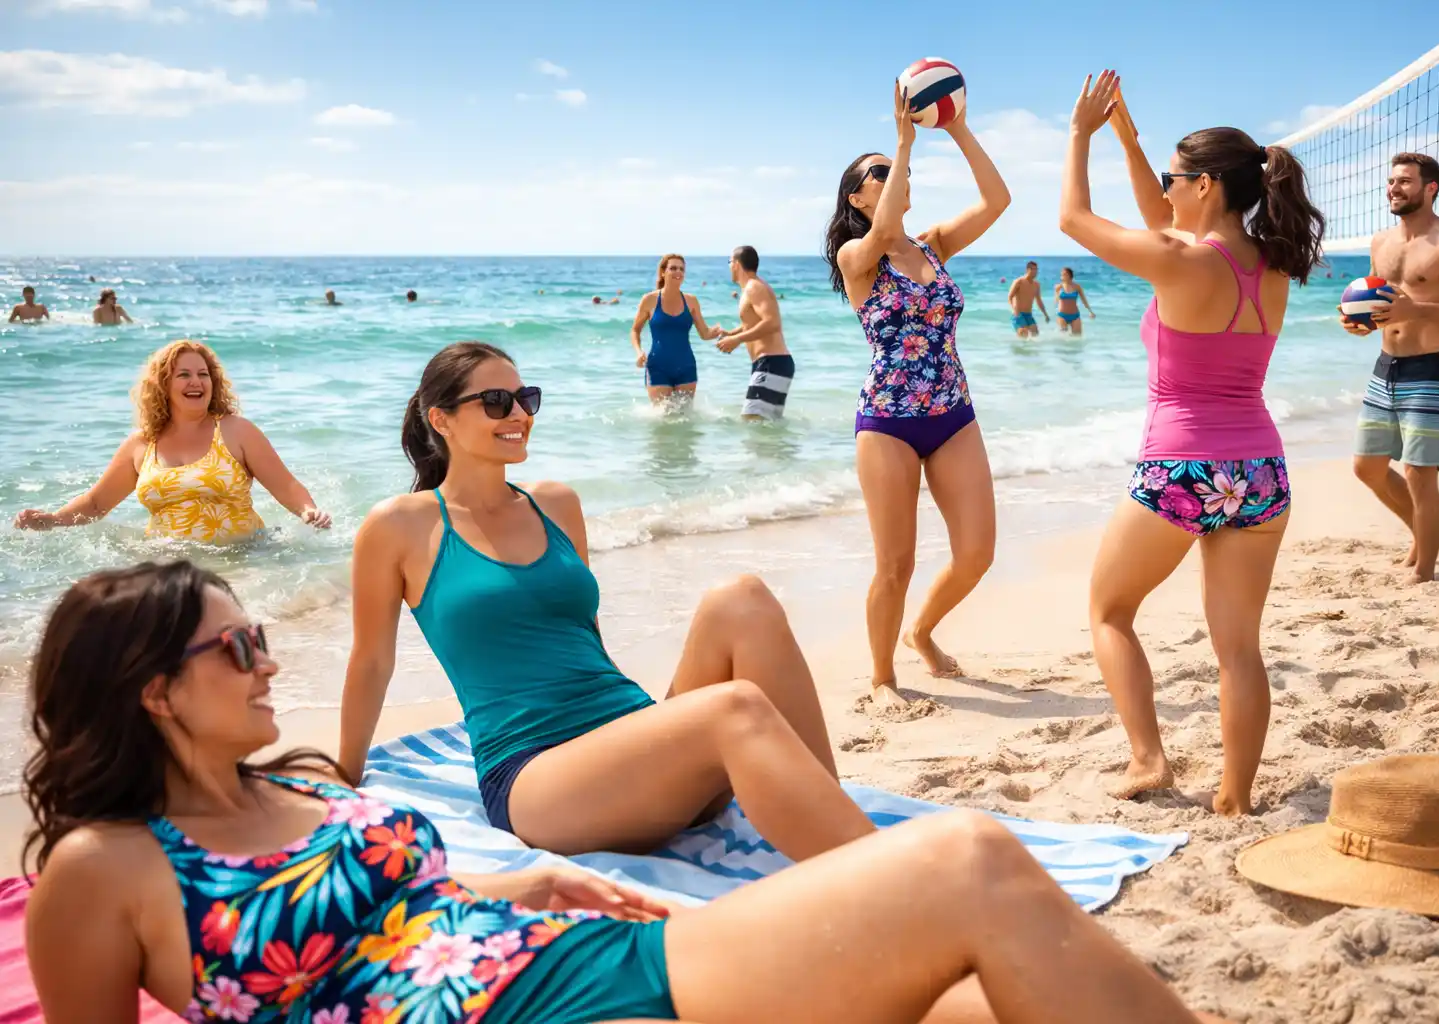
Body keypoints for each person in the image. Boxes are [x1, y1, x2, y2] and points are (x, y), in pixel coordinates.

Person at [24, 560, 1224, 1024]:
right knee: (969, 865)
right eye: (236, 650)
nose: (270, 659)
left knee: (972, 986)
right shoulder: (112, 866)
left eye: (261, 635)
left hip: (538, 954)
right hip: (491, 1014)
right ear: (149, 692)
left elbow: (384, 903)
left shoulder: (290, 781)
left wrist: (515, 875)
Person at [344, 341, 866, 859]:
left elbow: (582, 636)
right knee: (736, 707)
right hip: (536, 776)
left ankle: (834, 816)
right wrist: (341, 776)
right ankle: (875, 871)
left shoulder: (555, 503)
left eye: (526, 399)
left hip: (634, 752)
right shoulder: (399, 526)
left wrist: (651, 729)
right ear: (442, 419)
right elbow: (371, 662)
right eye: (496, 402)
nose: (519, 414)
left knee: (742, 598)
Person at [1059, 72, 1324, 815]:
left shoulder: (1181, 263)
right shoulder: (1271, 263)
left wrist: (1080, 133)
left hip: (1183, 467)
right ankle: (1235, 798)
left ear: (1206, 186)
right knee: (1239, 648)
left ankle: (1150, 759)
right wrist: (1130, 140)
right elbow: (1161, 214)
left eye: (1179, 180)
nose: (1167, 191)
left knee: (1109, 612)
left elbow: (1074, 219)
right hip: (1261, 472)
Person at [824, 82, 1010, 707]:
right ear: (858, 196)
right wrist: (903, 142)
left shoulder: (932, 244)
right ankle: (882, 677)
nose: (894, 171)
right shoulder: (860, 256)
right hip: (888, 423)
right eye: (878, 173)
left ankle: (922, 631)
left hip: (953, 414)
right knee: (894, 564)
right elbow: (877, 235)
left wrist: (955, 128)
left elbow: (998, 198)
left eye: (894, 166)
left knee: (978, 552)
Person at [1339, 152, 1439, 583]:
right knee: (1366, 467)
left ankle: (1425, 570)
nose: (1394, 188)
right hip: (1385, 367)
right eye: (1392, 181)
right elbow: (1375, 298)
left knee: (1419, 474)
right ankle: (1427, 534)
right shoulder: (1380, 242)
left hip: (1434, 369)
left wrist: (1417, 310)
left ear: (1431, 188)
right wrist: (1359, 322)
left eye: (1405, 181)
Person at [12, 339, 331, 542]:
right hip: (168, 566)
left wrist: (308, 511)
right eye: (184, 375)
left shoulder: (236, 431)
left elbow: (286, 485)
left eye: (203, 374)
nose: (196, 382)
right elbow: (96, 504)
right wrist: (51, 520)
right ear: (163, 385)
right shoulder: (141, 444)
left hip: (244, 561)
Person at [629, 254, 726, 405]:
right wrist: (638, 351)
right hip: (658, 367)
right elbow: (635, 330)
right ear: (663, 272)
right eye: (673, 268)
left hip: (686, 366)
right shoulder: (649, 300)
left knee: (685, 418)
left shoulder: (691, 301)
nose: (678, 272)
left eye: (681, 269)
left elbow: (704, 333)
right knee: (662, 419)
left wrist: (720, 331)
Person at [717, 245, 795, 420]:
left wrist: (737, 339)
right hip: (773, 363)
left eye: (729, 262)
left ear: (736, 264)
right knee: (766, 425)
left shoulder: (754, 287)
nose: (729, 266)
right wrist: (731, 334)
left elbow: (772, 322)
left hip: (771, 362)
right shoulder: (751, 288)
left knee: (752, 420)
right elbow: (754, 322)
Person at [1008, 262, 1050, 338]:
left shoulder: (1036, 285)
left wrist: (1045, 314)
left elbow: (1039, 301)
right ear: (1028, 270)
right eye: (1034, 269)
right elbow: (1010, 297)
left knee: (1035, 334)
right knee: (1024, 335)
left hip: (1028, 315)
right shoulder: (1019, 282)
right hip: (1018, 314)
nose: (1036, 272)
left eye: (1037, 270)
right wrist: (1014, 311)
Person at [1053, 268, 1094, 333]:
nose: (1062, 276)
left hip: (1075, 316)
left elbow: (1084, 300)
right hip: (1062, 316)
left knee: (1077, 339)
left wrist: (1090, 311)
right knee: (1063, 338)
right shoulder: (1058, 287)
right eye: (1061, 275)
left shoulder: (1077, 287)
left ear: (1069, 275)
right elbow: (1055, 302)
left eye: (1064, 274)